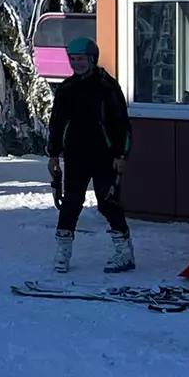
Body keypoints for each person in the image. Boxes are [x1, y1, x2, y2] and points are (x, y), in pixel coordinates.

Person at [47, 35, 134, 274]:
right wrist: (53, 154)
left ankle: (124, 252)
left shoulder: (107, 86)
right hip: (76, 155)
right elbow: (57, 124)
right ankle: (62, 251)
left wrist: (121, 155)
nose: (77, 63)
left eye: (82, 59)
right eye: (73, 59)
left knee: (108, 203)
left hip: (105, 156)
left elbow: (121, 124)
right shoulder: (66, 89)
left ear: (92, 59)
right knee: (71, 203)